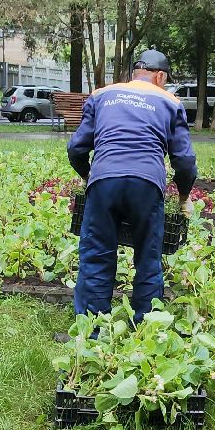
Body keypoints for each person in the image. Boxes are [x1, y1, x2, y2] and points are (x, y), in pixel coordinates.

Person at [67, 49, 197, 319]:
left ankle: (92, 331)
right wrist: (184, 198)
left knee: (96, 256)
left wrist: (87, 175)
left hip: (104, 182)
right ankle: (146, 330)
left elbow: (77, 149)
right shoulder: (170, 102)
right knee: (148, 258)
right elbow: (183, 161)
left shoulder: (102, 94)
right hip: (147, 184)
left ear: (135, 73)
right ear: (160, 76)